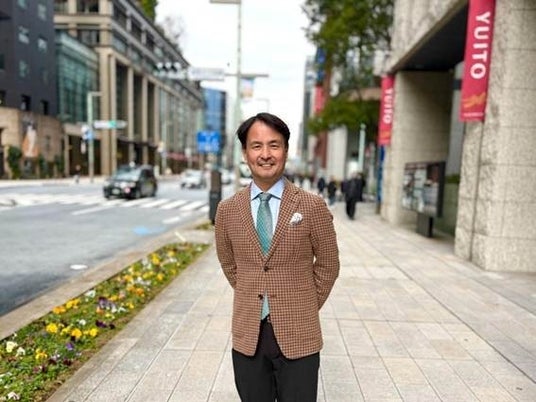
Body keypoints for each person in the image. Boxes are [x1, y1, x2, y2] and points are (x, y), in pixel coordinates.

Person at [214, 112, 340, 401]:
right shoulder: (227, 210)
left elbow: (328, 264)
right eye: (256, 146)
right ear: (245, 153)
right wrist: (252, 292)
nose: (265, 154)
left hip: (300, 333)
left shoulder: (312, 206)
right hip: (248, 335)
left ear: (285, 150)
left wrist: (303, 304)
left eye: (274, 145)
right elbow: (229, 263)